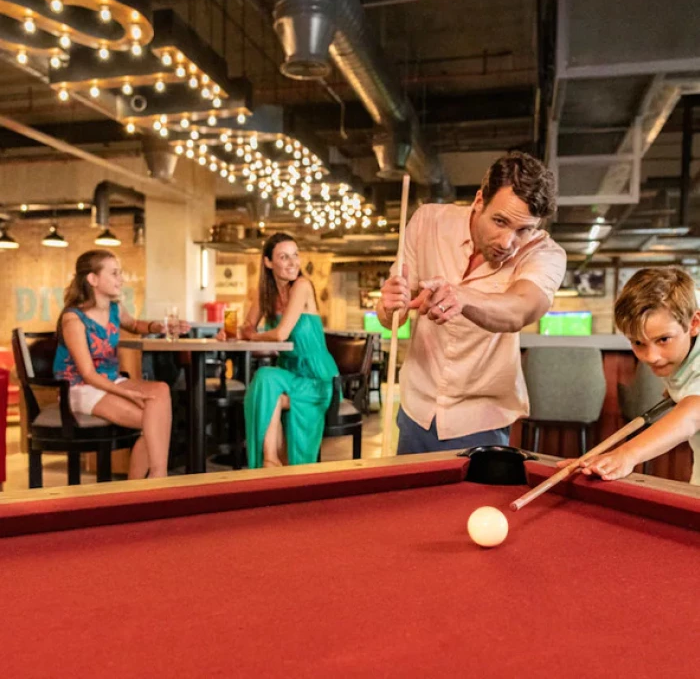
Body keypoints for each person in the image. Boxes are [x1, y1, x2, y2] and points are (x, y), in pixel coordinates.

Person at [378, 151, 566, 454]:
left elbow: (521, 308)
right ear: (479, 200)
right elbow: (394, 315)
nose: (508, 242)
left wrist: (462, 297)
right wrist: (387, 306)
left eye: (523, 229)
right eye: (500, 221)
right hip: (416, 409)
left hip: (480, 422)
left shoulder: (545, 253)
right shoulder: (428, 221)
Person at [54, 250, 187, 479]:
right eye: (114, 273)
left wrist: (159, 327)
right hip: (78, 388)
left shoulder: (114, 309)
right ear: (92, 279)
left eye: (120, 273)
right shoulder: (73, 319)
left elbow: (134, 324)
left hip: (108, 381)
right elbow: (87, 374)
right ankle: (154, 481)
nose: (121, 279)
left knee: (161, 390)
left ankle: (146, 483)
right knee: (155, 421)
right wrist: (129, 393)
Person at [562, 268, 700, 485]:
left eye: (663, 339)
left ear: (694, 324)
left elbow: (693, 414)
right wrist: (679, 388)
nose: (651, 357)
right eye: (637, 343)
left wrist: (627, 455)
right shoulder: (681, 315)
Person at [219, 233, 338, 468]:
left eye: (295, 255)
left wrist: (249, 335)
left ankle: (269, 462)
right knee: (264, 379)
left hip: (317, 378)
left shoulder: (302, 286)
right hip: (288, 374)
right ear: (268, 262)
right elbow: (247, 326)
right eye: (284, 257)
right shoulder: (266, 295)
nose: (293, 262)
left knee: (266, 389)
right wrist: (230, 332)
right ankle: (270, 460)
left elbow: (280, 334)